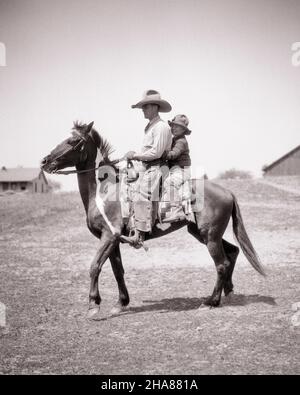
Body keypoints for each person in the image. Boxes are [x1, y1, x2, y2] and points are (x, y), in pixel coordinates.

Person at [121, 90, 172, 247]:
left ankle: (139, 235)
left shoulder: (161, 127)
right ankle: (126, 222)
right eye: (142, 107)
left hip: (157, 166)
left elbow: (156, 152)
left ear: (155, 107)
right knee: (124, 178)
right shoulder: (150, 127)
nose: (143, 110)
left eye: (145, 107)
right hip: (147, 165)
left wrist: (135, 155)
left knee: (142, 192)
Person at [161, 114, 192, 223]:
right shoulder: (173, 139)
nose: (173, 128)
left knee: (170, 182)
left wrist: (162, 153)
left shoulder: (181, 141)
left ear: (183, 129)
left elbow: (173, 154)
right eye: (173, 126)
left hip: (182, 170)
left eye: (177, 126)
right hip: (174, 169)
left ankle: (177, 209)